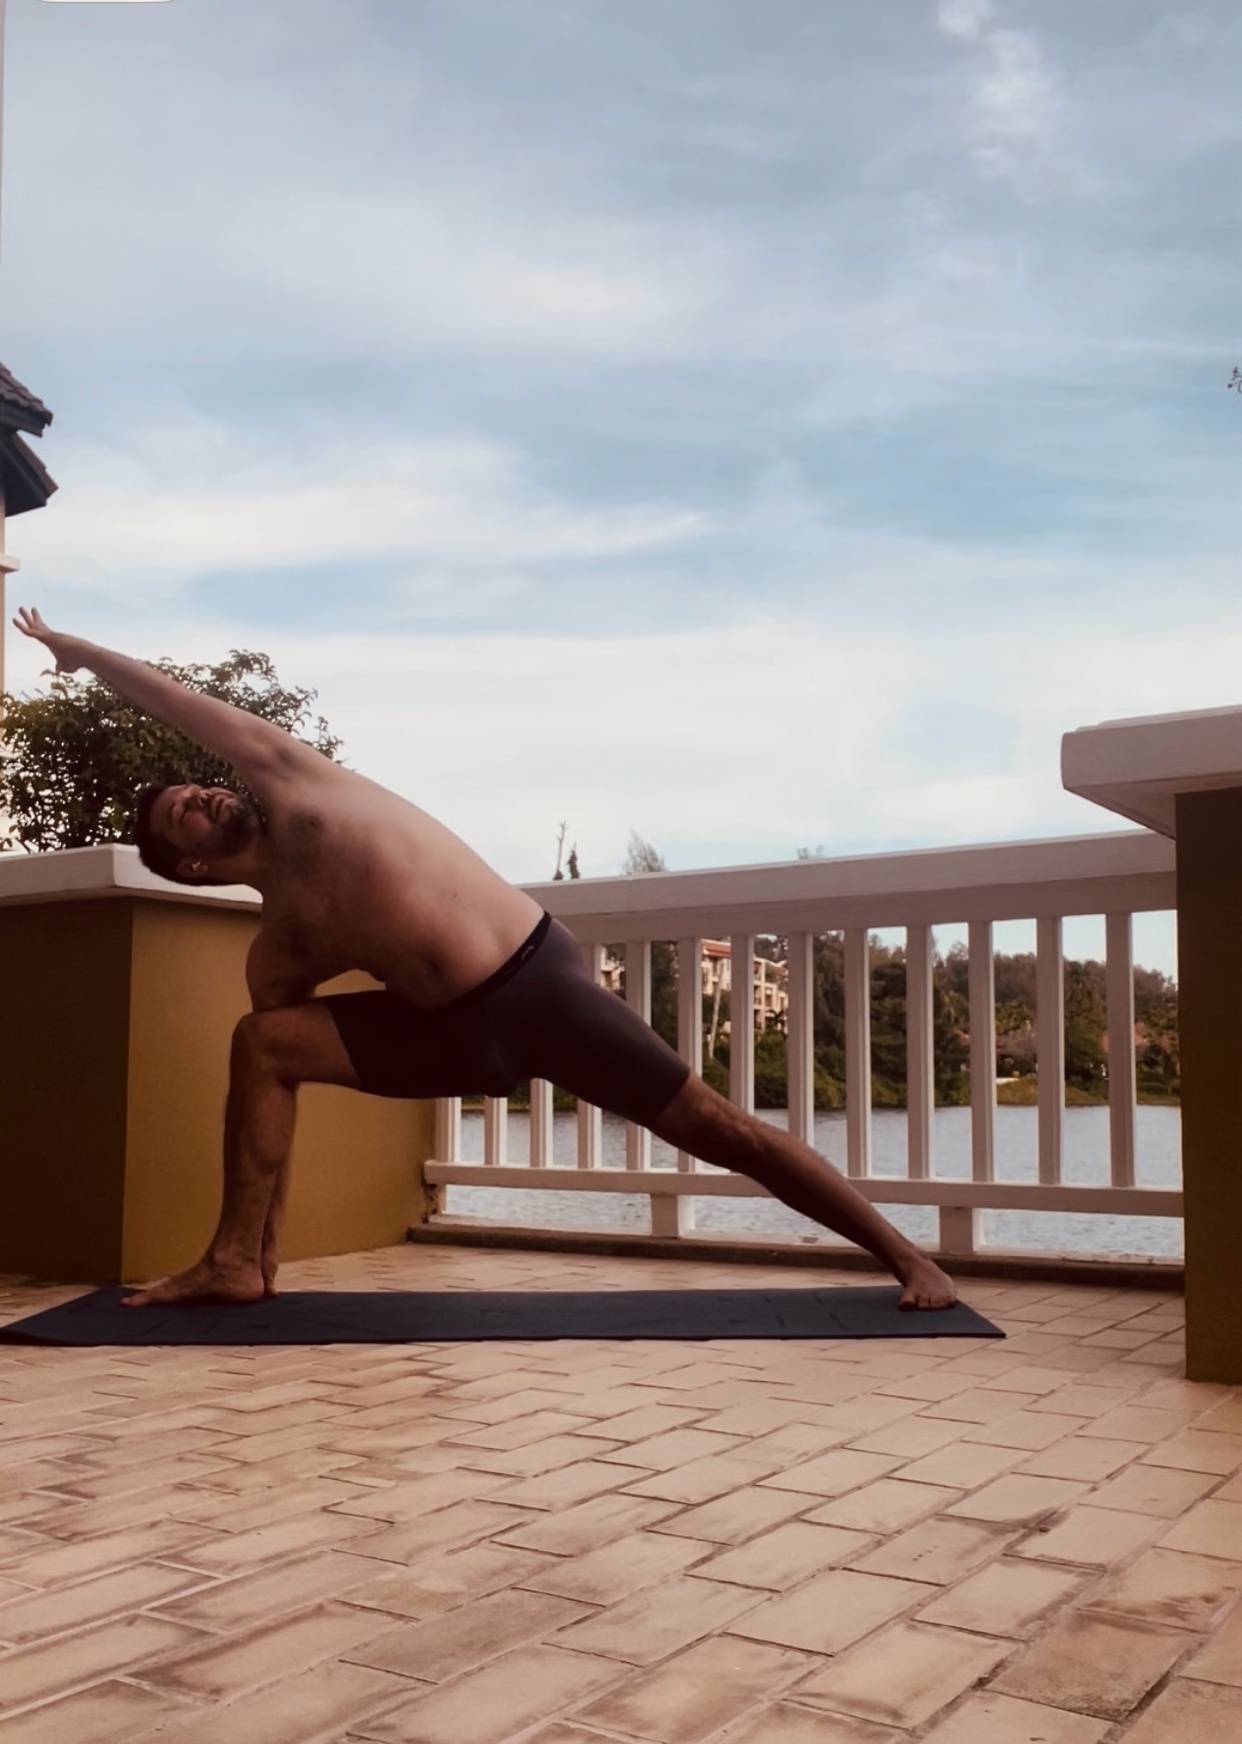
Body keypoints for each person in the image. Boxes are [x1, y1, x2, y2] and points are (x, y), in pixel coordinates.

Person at [13, 606, 957, 1311]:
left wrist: (80, 653)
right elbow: (279, 1108)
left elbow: (182, 706)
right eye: (189, 812)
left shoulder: (296, 784)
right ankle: (239, 1262)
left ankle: (909, 1258)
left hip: (537, 986)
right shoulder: (282, 946)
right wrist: (264, 1239)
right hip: (451, 1039)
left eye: (202, 789)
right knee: (264, 1044)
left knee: (719, 1128)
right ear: (189, 864)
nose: (211, 798)